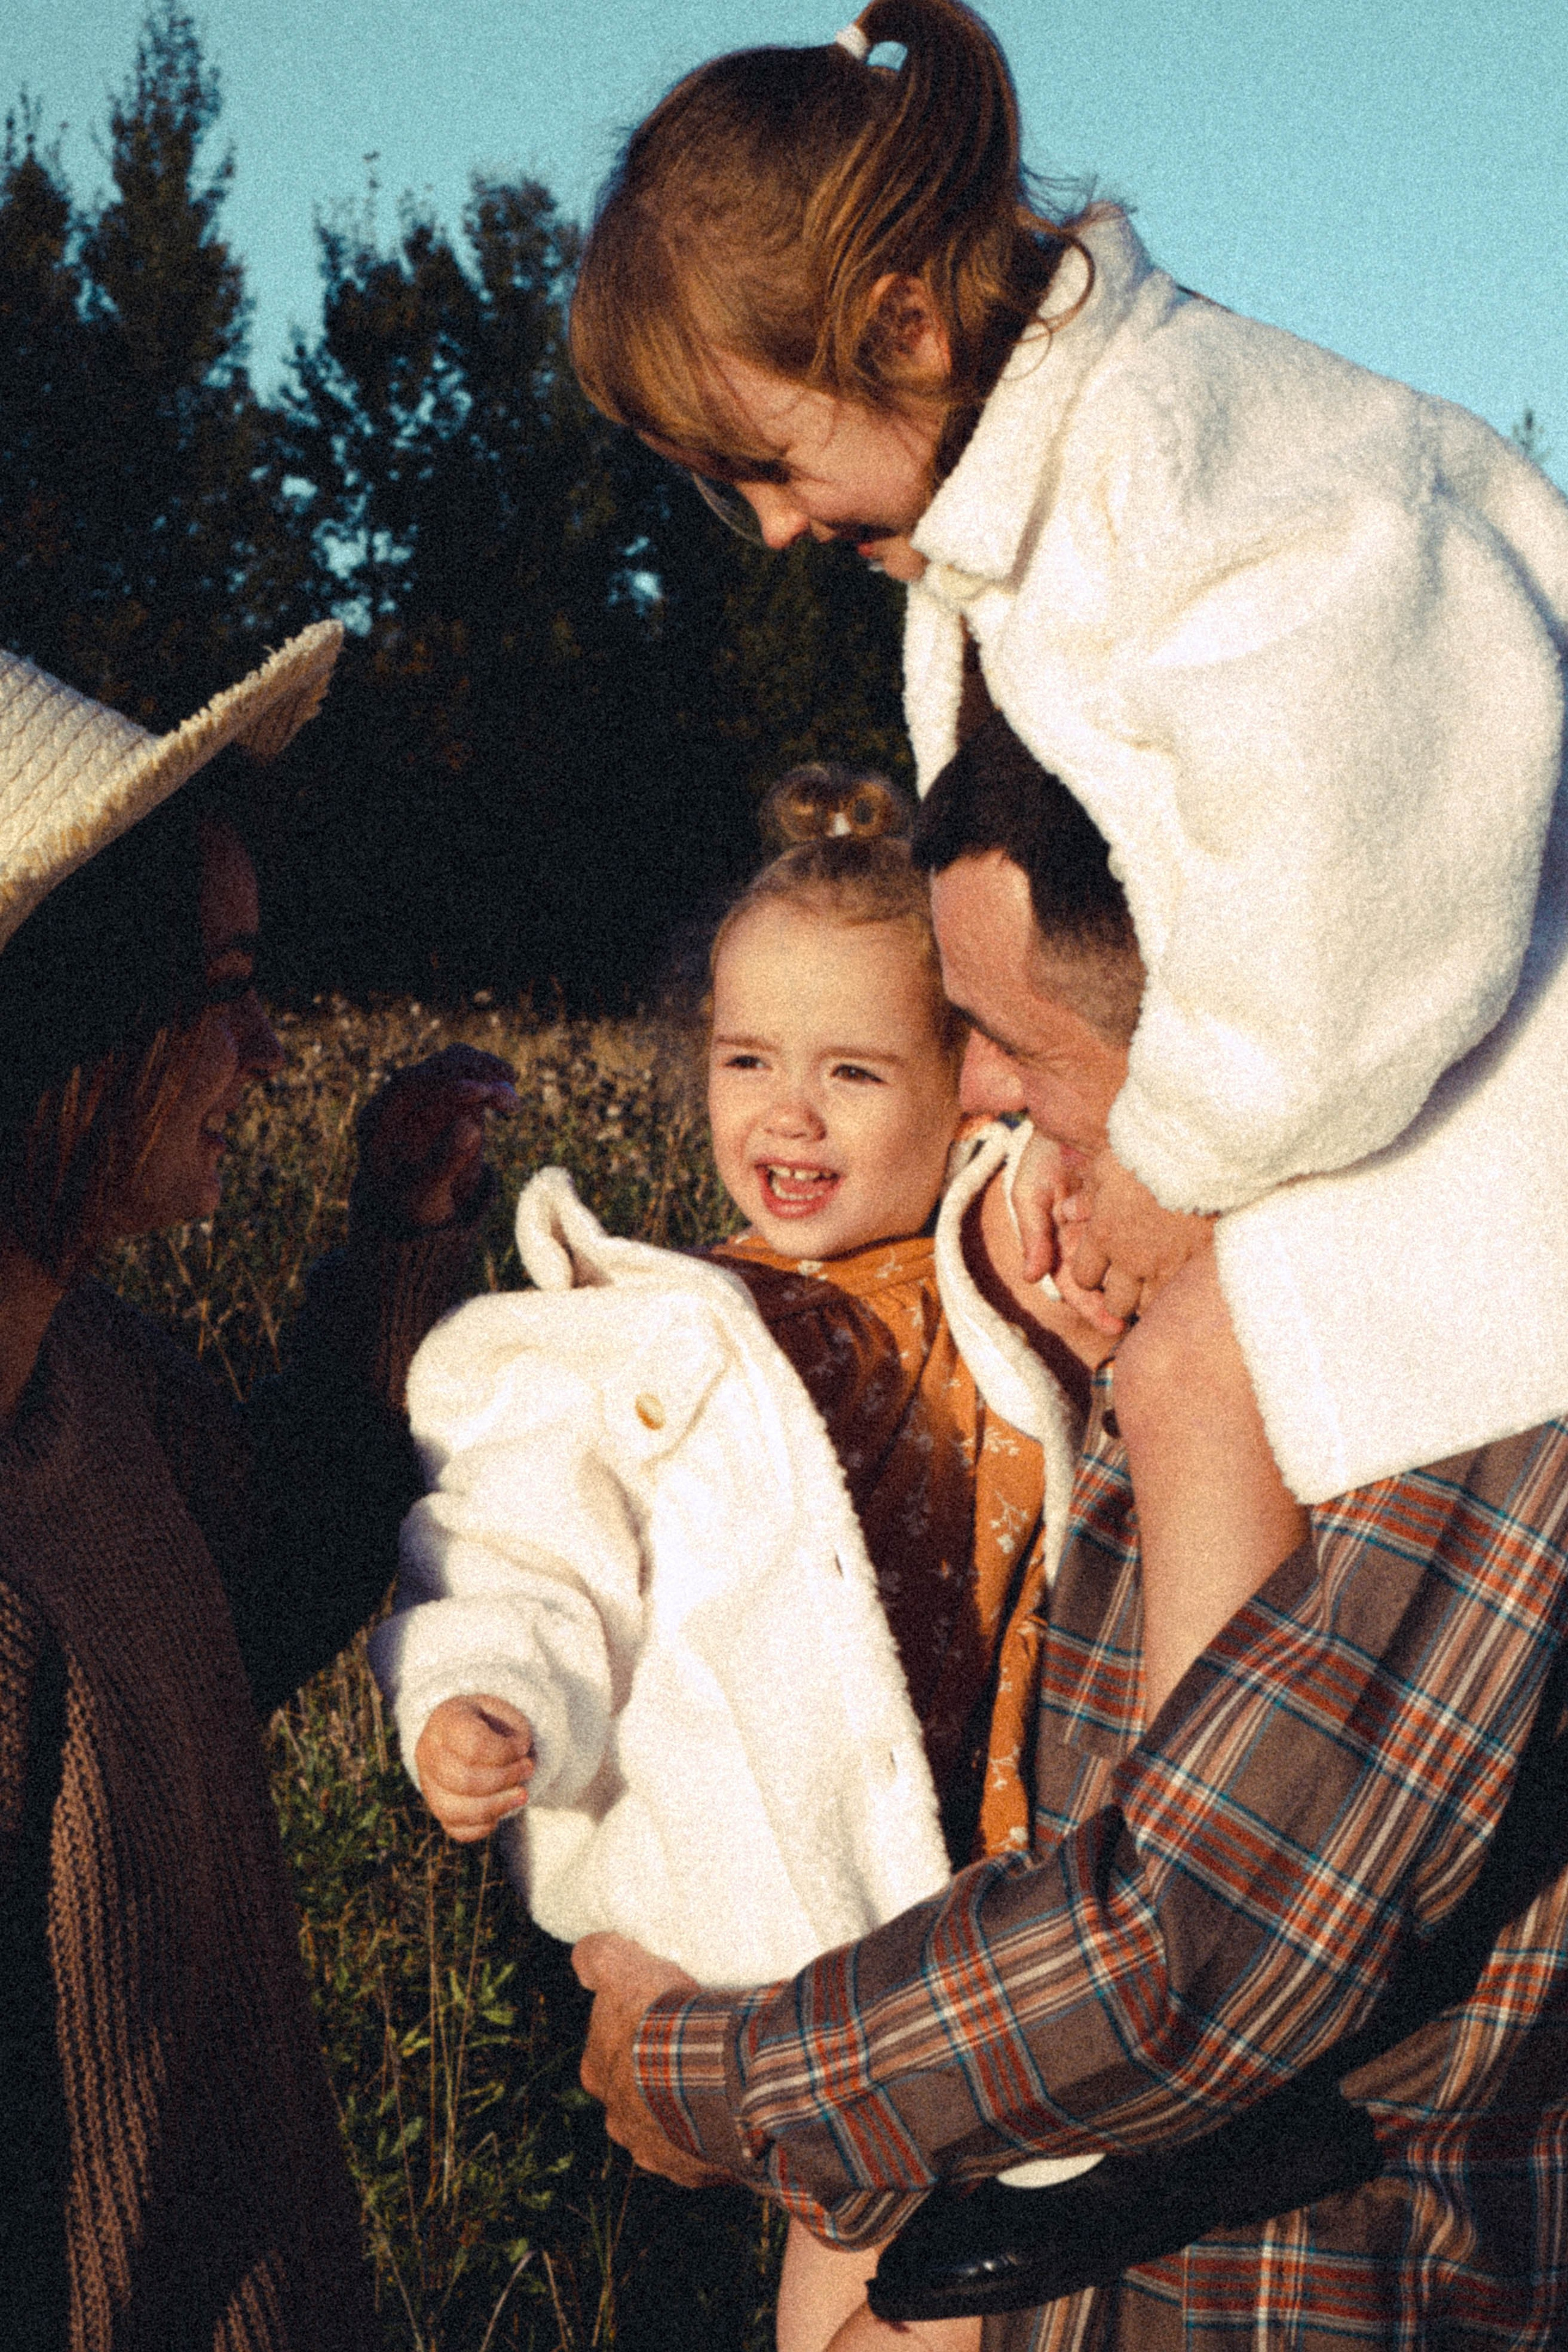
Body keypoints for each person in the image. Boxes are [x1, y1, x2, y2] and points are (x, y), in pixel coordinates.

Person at [565, 0, 1568, 1664]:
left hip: (1497, 1153)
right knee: (1144, 1393)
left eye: (771, 462)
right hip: (1367, 1111)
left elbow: (1362, 873)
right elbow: (1110, 926)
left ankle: (1206, 1822)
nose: (773, 526)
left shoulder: (1186, 457)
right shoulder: (1004, 535)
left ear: (905, 326)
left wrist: (1176, 1156)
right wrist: (1074, 1125)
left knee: (1188, 1390)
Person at [570, 719, 1568, 2348]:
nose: (976, 1092)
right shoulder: (1165, 1276)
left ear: (1219, 1044)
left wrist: (712, 2073)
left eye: (1010, 1042)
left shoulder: (1443, 1361)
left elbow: (1187, 1946)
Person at [369, 768, 1112, 2352]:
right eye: (748, 1060)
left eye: (855, 1071)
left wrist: (1053, 1161)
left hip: (1004, 1896)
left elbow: (1090, 1169)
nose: (788, 1114)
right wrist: (484, 1690)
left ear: (967, 1086)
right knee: (844, 2270)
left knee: (992, 2268)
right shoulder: (666, 1329)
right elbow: (522, 1538)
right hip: (799, 1917)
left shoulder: (997, 1268)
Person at [0, 630, 517, 2352]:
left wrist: (398, 1235)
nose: (272, 1050)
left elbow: (272, 1576)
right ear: (65, 1011)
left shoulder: (91, 1374)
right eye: (221, 984)